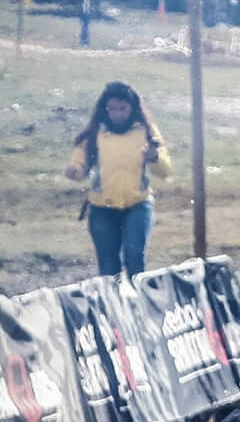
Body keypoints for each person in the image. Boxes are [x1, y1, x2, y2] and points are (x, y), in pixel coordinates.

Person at [64, 82, 172, 277]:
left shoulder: (146, 131)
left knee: (134, 257)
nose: (117, 114)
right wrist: (75, 169)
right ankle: (111, 306)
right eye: (112, 109)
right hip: (102, 208)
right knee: (108, 266)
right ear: (105, 109)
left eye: (122, 109)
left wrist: (154, 158)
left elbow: (164, 171)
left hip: (137, 205)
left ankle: (137, 304)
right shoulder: (96, 132)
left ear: (132, 108)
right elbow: (81, 160)